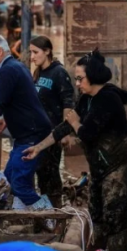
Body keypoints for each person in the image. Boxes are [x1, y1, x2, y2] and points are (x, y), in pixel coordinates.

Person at [22, 50, 127, 251]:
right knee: (95, 211)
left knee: (114, 215)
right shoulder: (86, 99)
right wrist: (38, 147)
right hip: (100, 164)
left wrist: (75, 122)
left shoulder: (109, 99)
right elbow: (63, 128)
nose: (77, 83)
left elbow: (87, 134)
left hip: (119, 163)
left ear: (93, 76)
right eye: (76, 78)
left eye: (80, 79)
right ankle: (99, 250)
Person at [0, 34, 54, 213]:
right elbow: (22, 100)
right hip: (29, 133)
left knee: (18, 185)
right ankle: (18, 216)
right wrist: (7, 119)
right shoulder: (15, 66)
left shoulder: (8, 70)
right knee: (7, 181)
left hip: (32, 135)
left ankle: (50, 218)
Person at [30, 36, 75, 208]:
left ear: (47, 51)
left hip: (53, 133)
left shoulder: (59, 72)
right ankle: (45, 209)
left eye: (36, 52)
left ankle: (55, 210)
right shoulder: (38, 72)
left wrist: (65, 133)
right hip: (39, 133)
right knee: (41, 173)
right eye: (31, 52)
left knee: (51, 173)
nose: (32, 57)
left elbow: (68, 102)